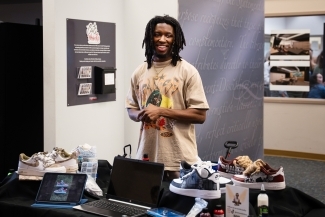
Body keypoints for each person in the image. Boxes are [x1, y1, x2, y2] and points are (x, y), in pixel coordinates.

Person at [125, 15, 209, 181]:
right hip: (146, 158)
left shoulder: (187, 71)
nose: (162, 39)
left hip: (179, 160)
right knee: (145, 206)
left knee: (180, 206)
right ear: (150, 37)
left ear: (175, 39)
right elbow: (131, 109)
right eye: (157, 34)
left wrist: (162, 111)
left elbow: (200, 115)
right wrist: (140, 114)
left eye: (168, 35)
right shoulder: (139, 72)